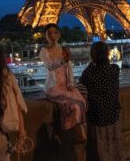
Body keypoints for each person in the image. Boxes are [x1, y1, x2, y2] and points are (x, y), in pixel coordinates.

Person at [39, 23, 86, 160]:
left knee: (81, 102)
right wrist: (63, 59)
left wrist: (71, 83)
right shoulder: (44, 51)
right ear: (46, 36)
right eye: (49, 33)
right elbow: (49, 66)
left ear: (59, 34)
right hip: (53, 87)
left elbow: (69, 68)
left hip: (65, 85)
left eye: (55, 33)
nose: (52, 35)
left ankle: (79, 131)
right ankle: (70, 131)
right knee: (74, 105)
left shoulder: (64, 49)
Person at [79, 42, 122, 161]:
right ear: (108, 53)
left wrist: (91, 63)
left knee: (97, 148)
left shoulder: (88, 73)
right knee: (114, 145)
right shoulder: (115, 69)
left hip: (96, 115)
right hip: (113, 113)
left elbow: (80, 85)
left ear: (92, 54)